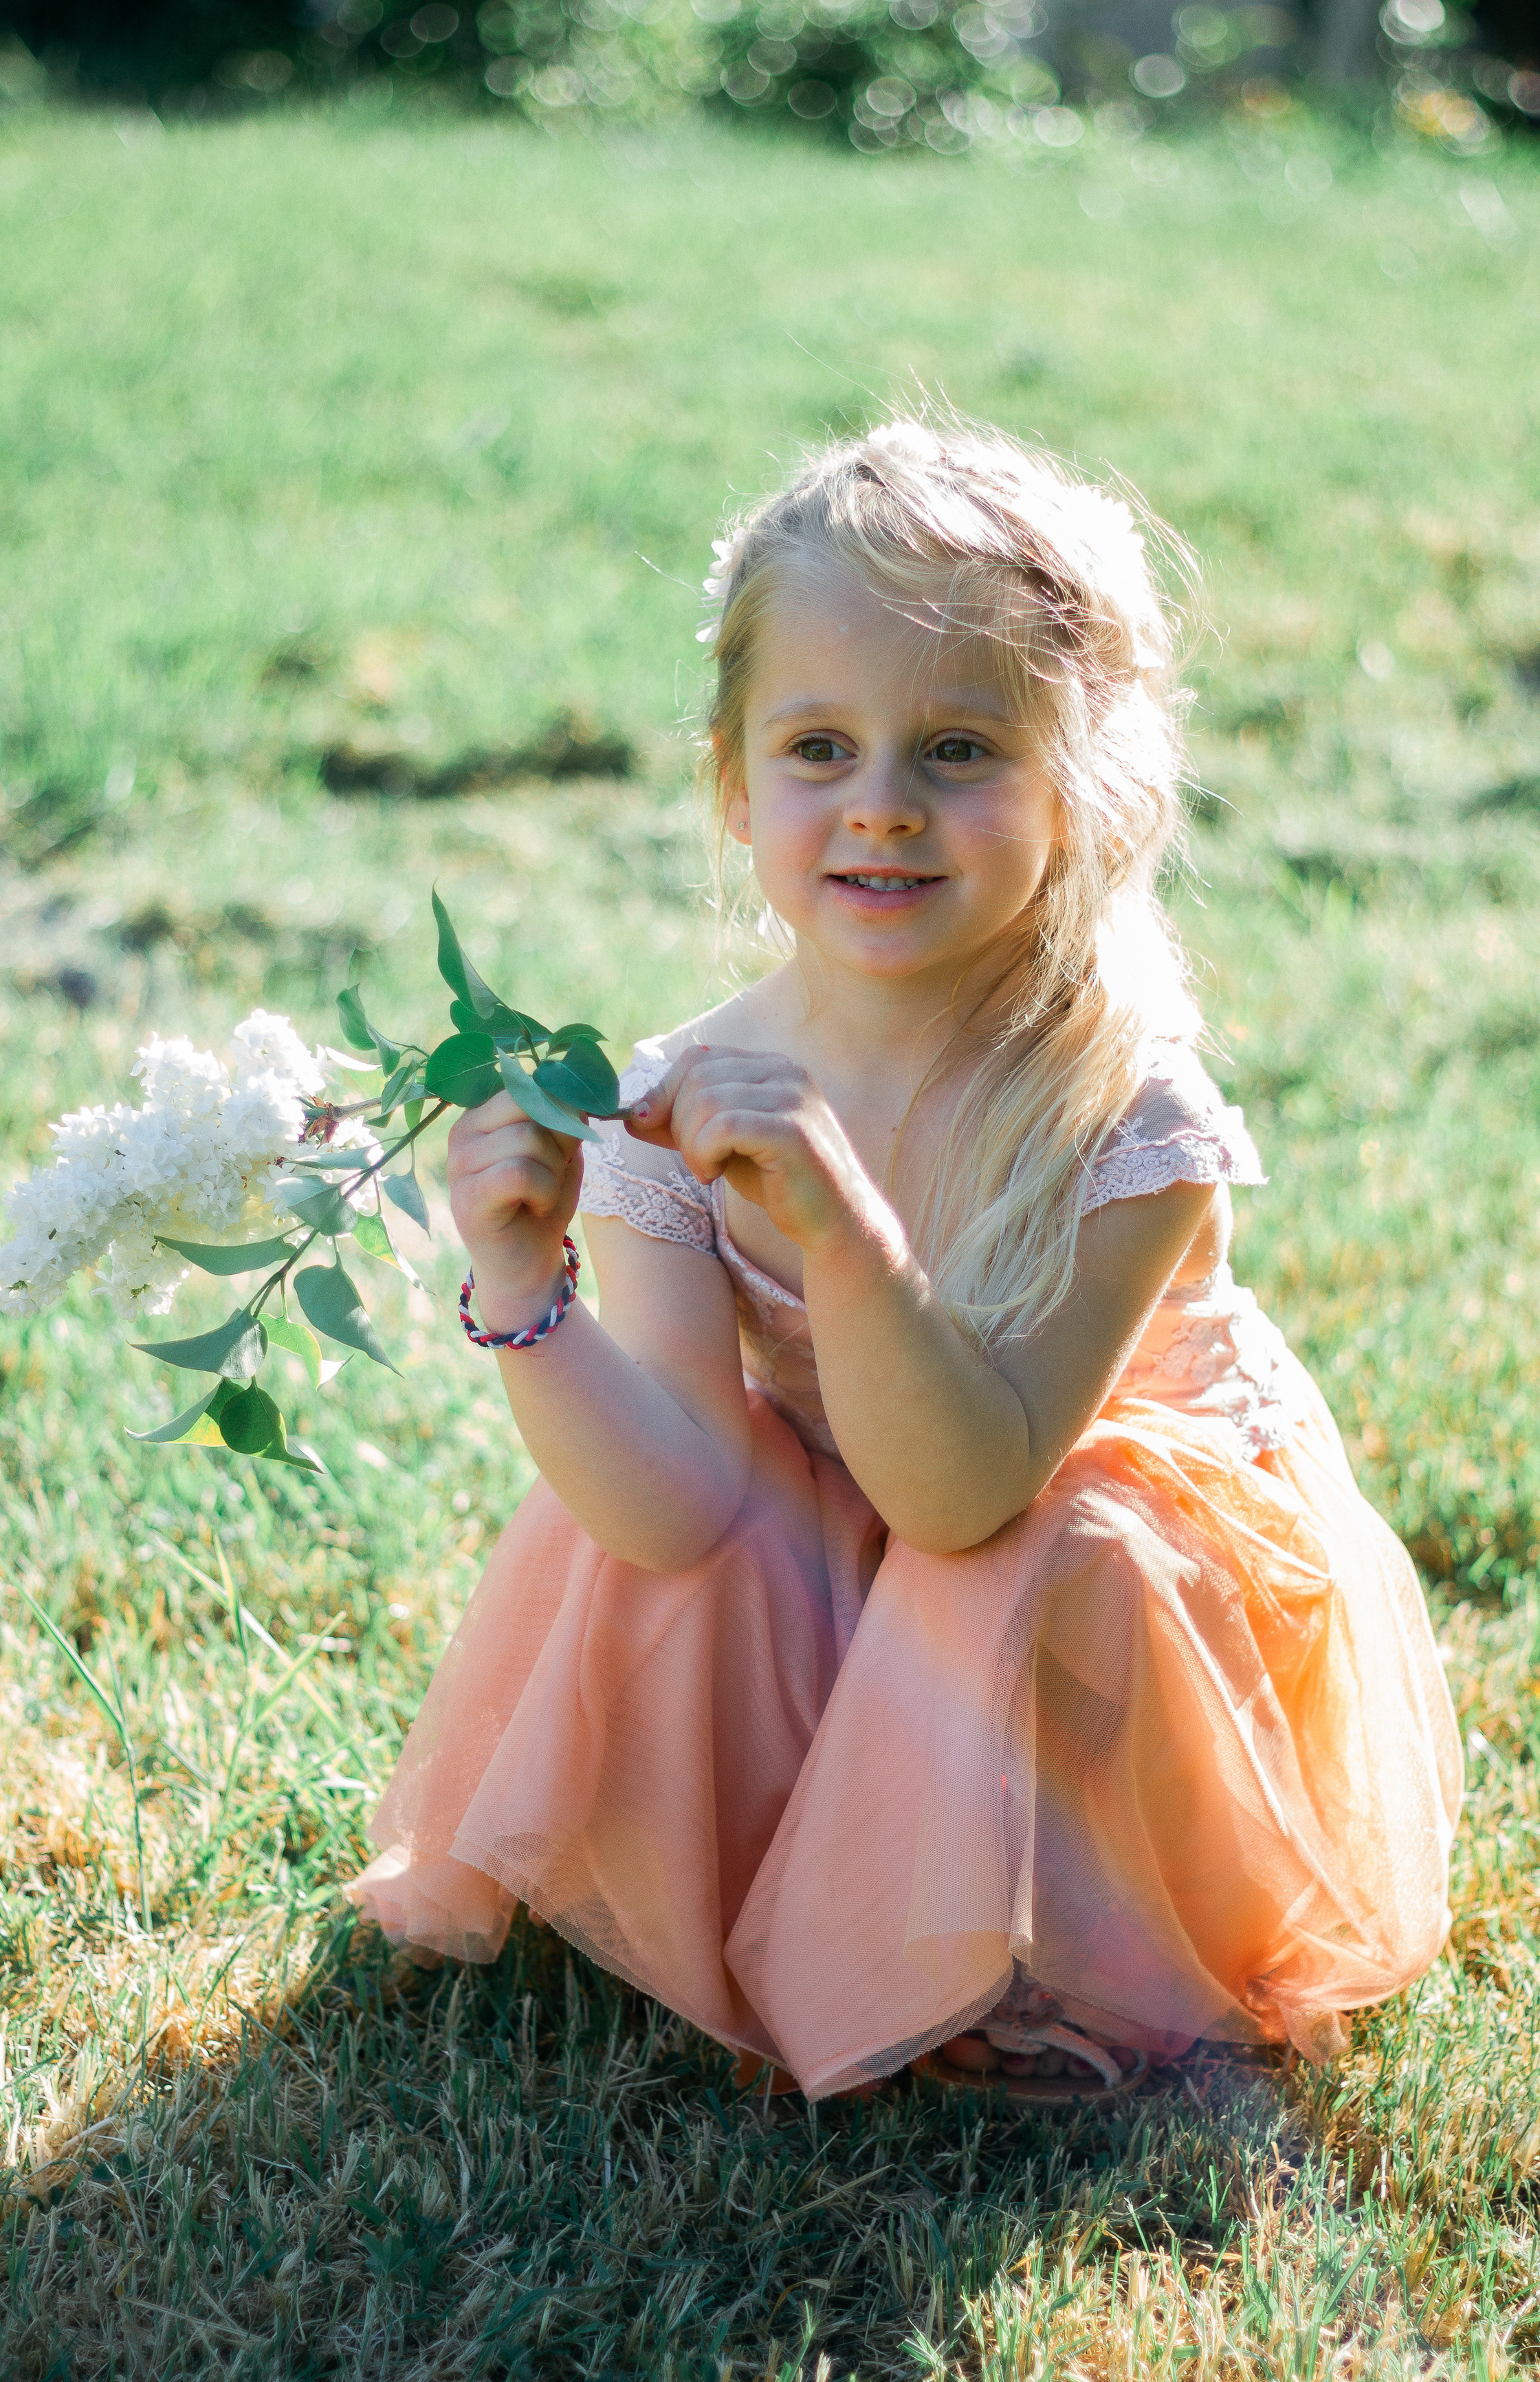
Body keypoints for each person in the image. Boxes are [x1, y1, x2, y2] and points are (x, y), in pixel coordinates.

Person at [349, 418, 1461, 2101]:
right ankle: (795, 1873)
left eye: (957, 747)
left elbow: (967, 1493)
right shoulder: (681, 1102)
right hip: (851, 1553)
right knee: (641, 1515)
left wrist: (842, 1228)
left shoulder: (1121, 1109)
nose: (881, 805)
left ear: (1086, 791)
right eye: (817, 747)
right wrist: (523, 1286)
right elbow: (676, 1511)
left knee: (1056, 1547)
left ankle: (1033, 1945)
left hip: (1068, 1563)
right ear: (734, 786)